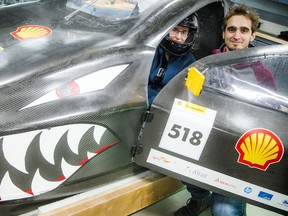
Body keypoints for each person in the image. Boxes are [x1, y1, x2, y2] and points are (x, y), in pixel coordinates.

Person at [175, 4, 275, 216]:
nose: (236, 35)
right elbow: (190, 100)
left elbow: (269, 121)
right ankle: (200, 199)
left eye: (244, 30)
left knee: (224, 212)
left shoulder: (263, 75)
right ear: (223, 32)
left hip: (237, 150)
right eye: (231, 29)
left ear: (253, 35)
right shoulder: (205, 64)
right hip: (203, 140)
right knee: (181, 169)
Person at [148, 13, 199, 105]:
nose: (179, 37)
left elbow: (188, 96)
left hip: (165, 106)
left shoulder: (190, 61)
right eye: (175, 30)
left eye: (184, 32)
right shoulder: (152, 52)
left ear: (189, 35)